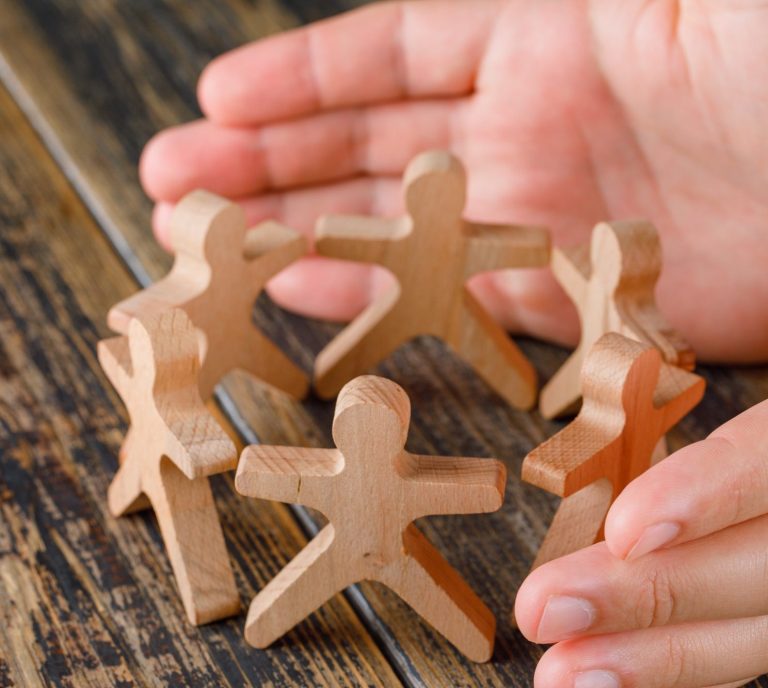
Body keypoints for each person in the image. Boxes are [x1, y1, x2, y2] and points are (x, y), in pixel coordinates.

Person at [138, 2, 768, 686]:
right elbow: (492, 473)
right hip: (413, 328)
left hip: (454, 326)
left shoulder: (351, 463)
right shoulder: (354, 459)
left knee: (345, 548)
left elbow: (270, 467)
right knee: (360, 384)